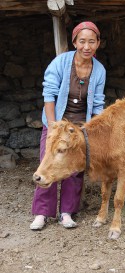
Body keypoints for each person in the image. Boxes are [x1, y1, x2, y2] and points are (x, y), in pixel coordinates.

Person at [30, 21, 106, 230]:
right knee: (48, 162)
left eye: (92, 41)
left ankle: (67, 212)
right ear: (74, 42)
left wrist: (92, 129)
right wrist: (53, 125)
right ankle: (42, 213)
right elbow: (49, 95)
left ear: (98, 43)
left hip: (81, 127)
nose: (86, 46)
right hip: (56, 121)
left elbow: (98, 103)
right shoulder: (60, 62)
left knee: (74, 167)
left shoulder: (99, 70)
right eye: (82, 41)